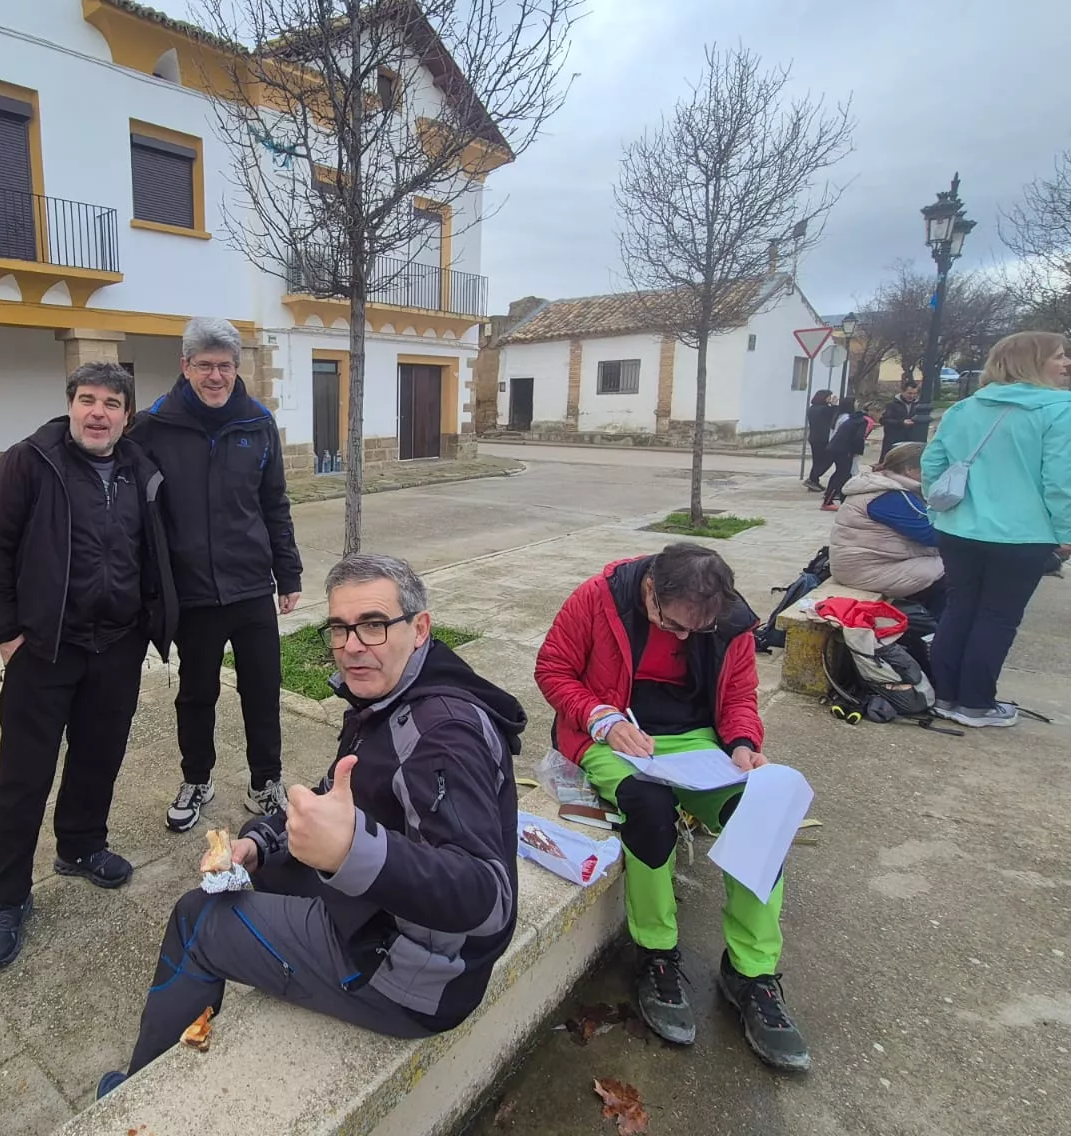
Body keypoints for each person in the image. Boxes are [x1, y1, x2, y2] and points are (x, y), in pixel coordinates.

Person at [96, 553, 525, 1099]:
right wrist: (258, 842)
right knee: (253, 871)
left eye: (373, 624)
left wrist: (351, 850)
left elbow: (487, 898)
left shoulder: (441, 734)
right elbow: (330, 797)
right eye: (340, 628)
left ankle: (141, 1098)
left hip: (416, 976)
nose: (351, 646)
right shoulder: (392, 694)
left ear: (420, 629)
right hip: (394, 918)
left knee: (196, 919)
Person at [535, 543, 810, 1072]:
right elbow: (554, 670)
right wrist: (601, 718)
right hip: (615, 733)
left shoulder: (726, 621)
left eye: (696, 631)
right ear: (650, 591)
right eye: (673, 625)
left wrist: (743, 744)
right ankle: (655, 953)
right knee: (648, 808)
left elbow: (738, 697)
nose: (683, 637)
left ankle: (751, 972)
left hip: (697, 740)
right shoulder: (598, 597)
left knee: (760, 810)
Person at [0, 363, 178, 969]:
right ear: (70, 404)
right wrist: (7, 633)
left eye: (112, 403)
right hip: (45, 648)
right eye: (88, 399)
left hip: (116, 644)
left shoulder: (141, 468)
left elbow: (154, 548)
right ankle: (6, 896)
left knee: (98, 755)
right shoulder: (30, 461)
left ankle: (82, 846)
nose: (98, 413)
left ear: (127, 416)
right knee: (23, 776)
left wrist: (152, 623)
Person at [128, 318, 303, 832]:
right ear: (185, 367)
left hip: (250, 585)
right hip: (193, 591)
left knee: (262, 687)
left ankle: (264, 780)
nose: (215, 376)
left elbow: (274, 503)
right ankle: (197, 777)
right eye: (204, 365)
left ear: (236, 368)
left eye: (224, 366)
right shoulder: (153, 425)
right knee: (197, 690)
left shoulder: (257, 423)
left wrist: (287, 573)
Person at [921, 330, 1071, 728]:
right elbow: (1060, 480)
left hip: (958, 528)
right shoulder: (1059, 409)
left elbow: (932, 465)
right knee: (997, 617)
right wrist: (1066, 530)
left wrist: (939, 515)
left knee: (959, 610)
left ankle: (946, 696)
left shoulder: (963, 409)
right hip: (1022, 534)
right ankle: (976, 704)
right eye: (1058, 356)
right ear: (1032, 362)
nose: (1066, 364)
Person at [829, 442, 944, 607]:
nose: (936, 473)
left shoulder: (884, 484)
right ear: (909, 469)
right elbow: (931, 535)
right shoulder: (889, 495)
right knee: (954, 573)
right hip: (866, 570)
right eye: (930, 467)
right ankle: (941, 628)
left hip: (864, 564)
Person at [821, 399, 878, 510]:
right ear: (873, 412)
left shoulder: (855, 417)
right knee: (842, 474)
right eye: (880, 413)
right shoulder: (866, 421)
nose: (881, 416)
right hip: (845, 449)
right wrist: (857, 452)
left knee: (842, 474)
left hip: (838, 447)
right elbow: (859, 438)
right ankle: (828, 501)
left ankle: (839, 499)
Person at [803, 389, 839, 492]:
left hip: (814, 437)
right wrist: (834, 405)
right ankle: (812, 478)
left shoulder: (812, 408)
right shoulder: (824, 409)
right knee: (827, 459)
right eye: (829, 397)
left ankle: (814, 481)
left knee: (817, 460)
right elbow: (835, 414)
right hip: (823, 438)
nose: (830, 399)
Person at [878, 382, 921, 462]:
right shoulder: (892, 405)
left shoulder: (918, 405)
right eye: (909, 393)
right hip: (893, 439)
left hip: (910, 439)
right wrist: (901, 422)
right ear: (903, 392)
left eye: (915, 393)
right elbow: (884, 420)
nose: (912, 396)